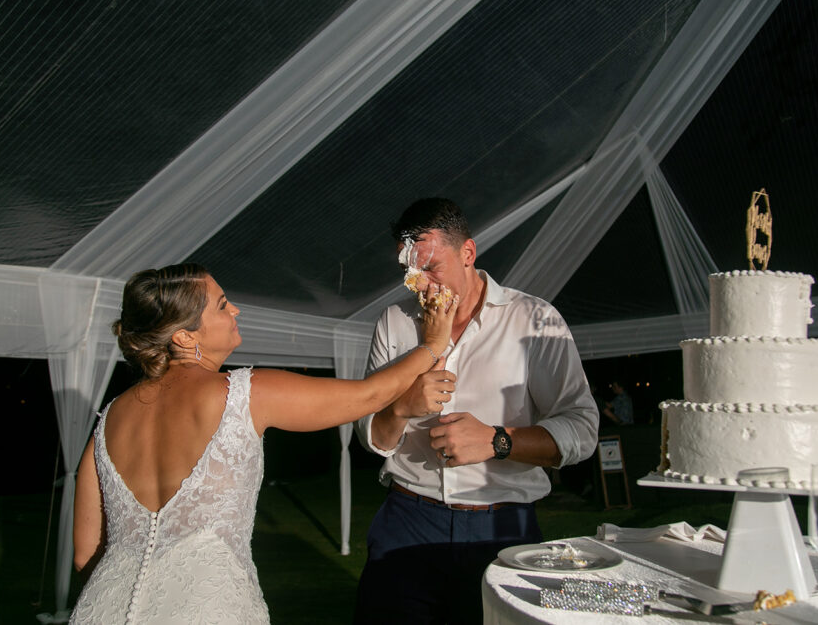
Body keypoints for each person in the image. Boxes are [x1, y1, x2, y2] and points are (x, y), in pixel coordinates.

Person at [69, 263, 457, 624]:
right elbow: (369, 396)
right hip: (208, 609)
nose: (235, 310)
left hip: (102, 608)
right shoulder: (244, 392)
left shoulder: (108, 419)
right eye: (222, 305)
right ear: (185, 336)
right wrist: (433, 344)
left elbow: (86, 553)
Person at [353, 198, 599, 624]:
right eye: (409, 272)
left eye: (430, 268)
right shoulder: (393, 321)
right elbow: (369, 432)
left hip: (501, 529)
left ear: (468, 253)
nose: (421, 285)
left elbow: (582, 428)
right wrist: (402, 409)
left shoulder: (534, 320)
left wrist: (497, 441)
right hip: (406, 520)